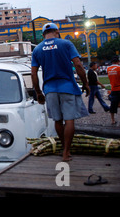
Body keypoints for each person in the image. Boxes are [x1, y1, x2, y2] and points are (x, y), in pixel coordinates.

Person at [31, 23, 90, 162]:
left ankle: (63, 147)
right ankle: (66, 152)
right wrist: (86, 83)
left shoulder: (38, 49)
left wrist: (38, 92)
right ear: (57, 32)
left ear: (43, 34)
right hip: (67, 87)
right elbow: (78, 64)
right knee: (69, 120)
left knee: (57, 120)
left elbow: (33, 74)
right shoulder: (66, 44)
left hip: (50, 90)